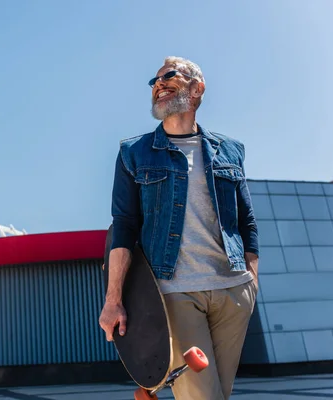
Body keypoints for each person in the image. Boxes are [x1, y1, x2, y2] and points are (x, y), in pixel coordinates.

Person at [98, 56, 260, 400]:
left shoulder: (230, 150)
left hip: (233, 293)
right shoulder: (135, 152)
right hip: (175, 292)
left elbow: (246, 221)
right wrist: (113, 299)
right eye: (154, 81)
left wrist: (251, 281)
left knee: (218, 393)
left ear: (197, 88)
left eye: (169, 76)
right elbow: (123, 227)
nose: (159, 84)